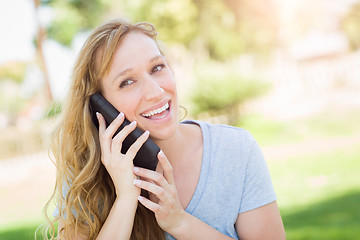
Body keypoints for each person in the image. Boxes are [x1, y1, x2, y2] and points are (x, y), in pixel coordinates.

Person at [44, 18, 286, 240]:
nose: (156, 91)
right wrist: (126, 198)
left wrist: (180, 223)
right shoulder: (86, 179)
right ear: (101, 107)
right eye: (127, 82)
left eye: (157, 68)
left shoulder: (235, 150)